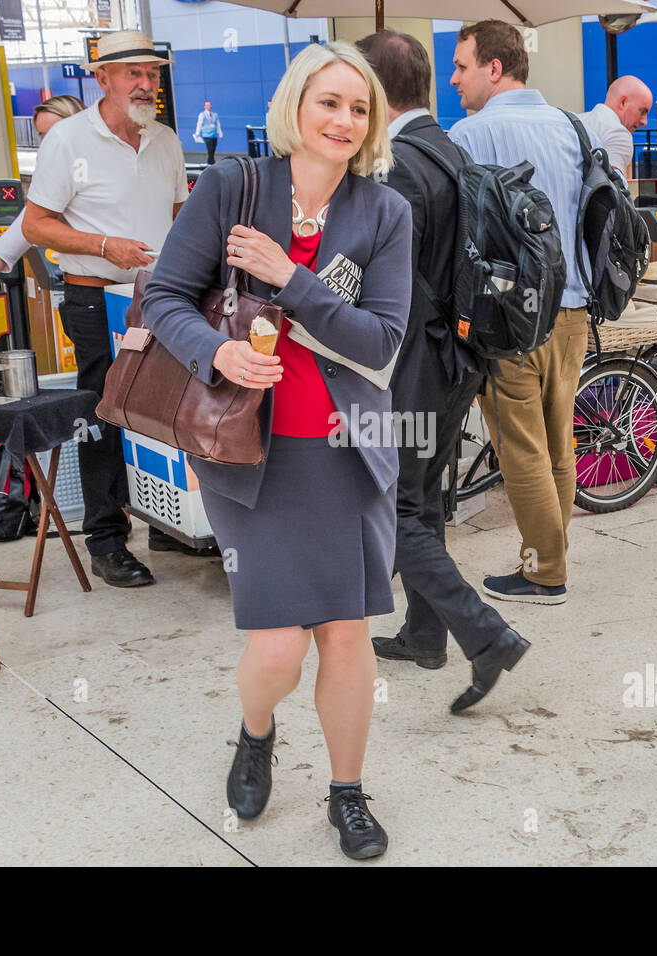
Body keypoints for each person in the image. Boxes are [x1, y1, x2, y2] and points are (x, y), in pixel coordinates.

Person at [140, 42, 412, 861]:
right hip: (245, 450)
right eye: (329, 102)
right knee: (278, 643)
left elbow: (383, 340)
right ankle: (255, 732)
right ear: (296, 105)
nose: (344, 120)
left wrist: (291, 280)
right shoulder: (233, 187)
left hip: (344, 449)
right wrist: (217, 354)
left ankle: (347, 791)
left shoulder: (383, 212)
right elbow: (163, 298)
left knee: (346, 633)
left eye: (359, 108)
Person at [356, 29, 531, 714]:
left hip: (412, 365)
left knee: (389, 507)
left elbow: (384, 282)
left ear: (372, 91)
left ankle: (484, 635)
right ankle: (424, 633)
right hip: (459, 359)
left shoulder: (399, 164)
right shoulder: (451, 147)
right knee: (423, 496)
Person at [22, 30, 189, 588]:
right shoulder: (68, 140)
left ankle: (167, 521)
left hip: (159, 299)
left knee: (164, 410)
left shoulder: (164, 139)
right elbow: (35, 225)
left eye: (152, 74)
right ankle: (106, 538)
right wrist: (103, 245)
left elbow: (179, 216)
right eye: (133, 74)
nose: (145, 84)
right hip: (97, 299)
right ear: (103, 78)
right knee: (103, 413)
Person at [448, 19, 591, 606]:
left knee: (520, 447)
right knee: (559, 443)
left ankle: (543, 572)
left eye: (461, 66)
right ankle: (553, 559)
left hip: (510, 318)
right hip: (574, 309)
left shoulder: (469, 134)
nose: (454, 79)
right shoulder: (572, 126)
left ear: (494, 68)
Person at [0, 95, 85, 325]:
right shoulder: (50, 194)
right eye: (43, 136)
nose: (51, 144)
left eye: (57, 133)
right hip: (88, 301)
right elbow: (2, 250)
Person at [581, 74, 653, 180]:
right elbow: (613, 191)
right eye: (642, 111)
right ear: (623, 102)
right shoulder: (619, 134)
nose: (644, 122)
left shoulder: (576, 121)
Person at [195, 100, 222, 164]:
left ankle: (210, 162)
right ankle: (212, 163)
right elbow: (199, 124)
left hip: (214, 135)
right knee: (210, 149)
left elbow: (218, 124)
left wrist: (220, 134)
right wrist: (197, 133)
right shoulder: (202, 115)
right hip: (207, 135)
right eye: (207, 105)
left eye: (209, 105)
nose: (209, 106)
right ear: (204, 106)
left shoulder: (215, 115)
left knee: (213, 150)